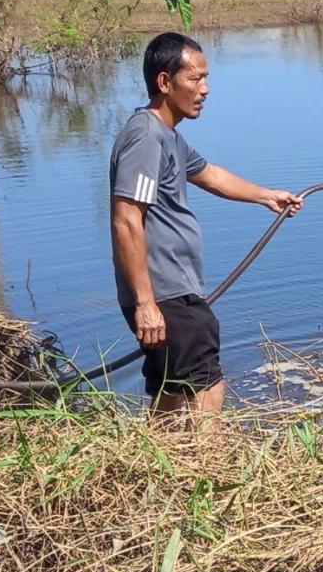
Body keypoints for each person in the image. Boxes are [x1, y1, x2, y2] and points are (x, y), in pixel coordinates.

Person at [110, 32, 302, 423]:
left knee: (171, 391)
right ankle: (207, 474)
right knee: (207, 389)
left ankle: (151, 470)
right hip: (166, 294)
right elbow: (127, 218)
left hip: (168, 293)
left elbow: (210, 175)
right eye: (195, 79)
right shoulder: (146, 138)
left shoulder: (168, 137)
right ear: (165, 82)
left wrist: (266, 196)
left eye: (206, 78)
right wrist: (147, 304)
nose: (205, 89)